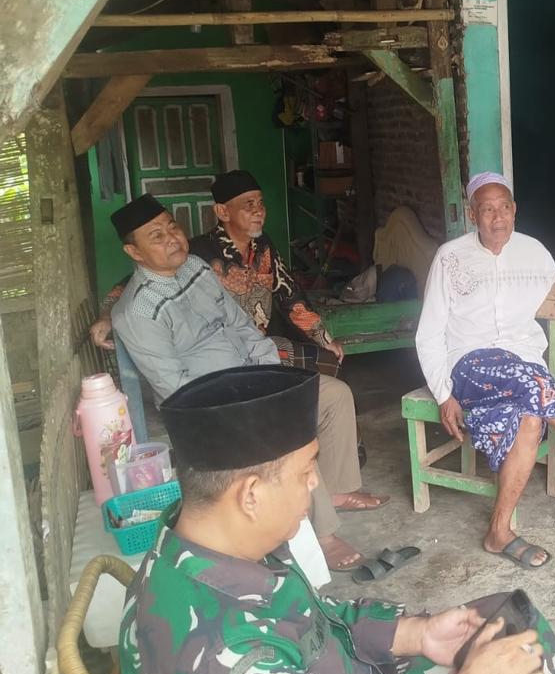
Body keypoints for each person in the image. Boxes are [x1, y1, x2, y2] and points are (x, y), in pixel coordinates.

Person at [119, 364, 555, 674]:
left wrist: (414, 634)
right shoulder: (227, 665)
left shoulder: (218, 548)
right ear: (250, 494)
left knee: (510, 623)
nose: (316, 484)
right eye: (306, 471)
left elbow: (315, 621)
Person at [107, 193, 386, 573]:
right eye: (156, 236)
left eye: (172, 227)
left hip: (252, 379)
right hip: (211, 409)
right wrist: (247, 400)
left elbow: (240, 324)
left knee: (334, 395)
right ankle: (322, 535)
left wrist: (268, 369)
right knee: (287, 428)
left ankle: (335, 491)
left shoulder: (195, 268)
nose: (172, 238)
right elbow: (176, 389)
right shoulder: (138, 313)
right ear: (134, 252)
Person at [415, 172, 555, 570]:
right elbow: (429, 332)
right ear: (472, 215)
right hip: (469, 366)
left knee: (529, 419)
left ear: (515, 210)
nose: (497, 218)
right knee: (529, 380)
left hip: (524, 368)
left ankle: (499, 531)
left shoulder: (534, 252)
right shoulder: (450, 257)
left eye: (504, 208)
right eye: (487, 210)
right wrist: (442, 393)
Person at [90, 170, 343, 376]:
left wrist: (323, 338)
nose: (259, 211)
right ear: (223, 212)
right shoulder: (196, 254)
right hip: (226, 352)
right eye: (249, 205)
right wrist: (106, 316)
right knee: (308, 378)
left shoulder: (263, 245)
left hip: (261, 343)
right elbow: (133, 286)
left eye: (260, 203)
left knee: (327, 361)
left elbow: (290, 294)